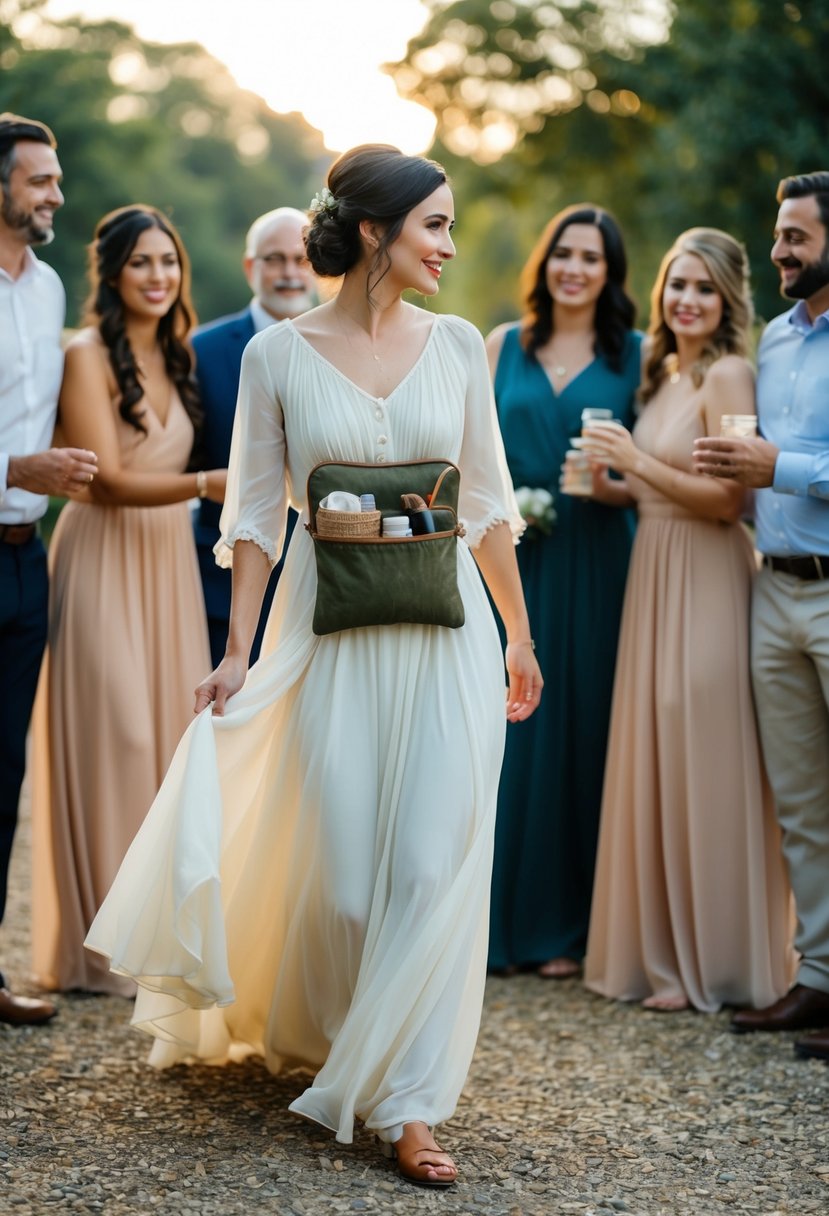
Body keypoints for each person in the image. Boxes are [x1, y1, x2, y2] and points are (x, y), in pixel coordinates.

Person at [86, 144, 542, 1188]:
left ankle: (408, 1102)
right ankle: (338, 1033)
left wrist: (515, 632)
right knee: (341, 886)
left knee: (430, 870)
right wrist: (236, 650)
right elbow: (251, 517)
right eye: (435, 224)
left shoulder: (461, 343)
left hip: (447, 637)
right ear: (376, 232)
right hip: (321, 635)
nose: (450, 244)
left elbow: (485, 504)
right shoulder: (275, 357)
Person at [583, 227, 792, 1012]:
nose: (685, 300)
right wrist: (609, 486)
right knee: (660, 752)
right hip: (654, 576)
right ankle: (663, 952)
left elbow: (730, 501)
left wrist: (635, 464)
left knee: (704, 751)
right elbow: (661, 489)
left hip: (706, 577)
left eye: (703, 287)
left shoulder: (728, 375)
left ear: (728, 298)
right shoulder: (663, 375)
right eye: (677, 283)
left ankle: (720, 959)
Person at [30, 205, 226, 995]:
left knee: (164, 744)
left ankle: (156, 942)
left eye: (168, 263)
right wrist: (209, 484)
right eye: (142, 263)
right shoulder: (85, 354)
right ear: (112, 273)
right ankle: (98, 951)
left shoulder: (180, 355)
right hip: (103, 553)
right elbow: (104, 479)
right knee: (115, 733)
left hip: (166, 561)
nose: (158, 277)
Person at [485, 205, 641, 978]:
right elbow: (466, 455)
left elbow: (650, 472)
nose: (573, 268)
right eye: (562, 254)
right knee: (507, 733)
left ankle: (567, 928)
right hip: (512, 564)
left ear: (610, 272)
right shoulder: (500, 346)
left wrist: (612, 489)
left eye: (590, 257)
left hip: (600, 557)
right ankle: (489, 921)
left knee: (584, 728)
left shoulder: (638, 356)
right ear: (543, 262)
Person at [694, 173, 829, 1058]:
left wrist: (776, 466)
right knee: (802, 804)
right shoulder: (774, 341)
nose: (778, 251)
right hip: (771, 588)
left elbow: (781, 464)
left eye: (795, 237)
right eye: (778, 235)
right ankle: (817, 980)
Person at [0, 113, 98, 1026]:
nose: (55, 195)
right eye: (39, 180)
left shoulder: (48, 289)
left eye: (56, 179)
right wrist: (12, 470)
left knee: (3, 781)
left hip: (27, 566)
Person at [192, 208, 315, 666]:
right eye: (274, 259)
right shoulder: (200, 351)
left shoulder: (344, 348)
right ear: (250, 267)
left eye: (300, 260)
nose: (288, 273)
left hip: (320, 584)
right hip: (219, 586)